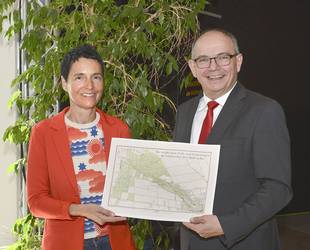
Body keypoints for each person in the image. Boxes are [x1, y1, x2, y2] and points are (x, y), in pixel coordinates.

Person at [173, 28, 292, 249]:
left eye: (223, 57)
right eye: (204, 60)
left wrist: (227, 225)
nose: (213, 67)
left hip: (243, 242)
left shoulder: (264, 111)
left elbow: (278, 188)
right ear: (193, 68)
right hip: (191, 242)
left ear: (238, 61)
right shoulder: (184, 112)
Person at [27, 45, 136, 250]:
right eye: (79, 77)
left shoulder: (119, 129)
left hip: (114, 242)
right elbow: (36, 202)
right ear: (64, 83)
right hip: (65, 243)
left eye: (96, 77)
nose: (90, 85)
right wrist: (79, 209)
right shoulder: (43, 133)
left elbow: (131, 190)